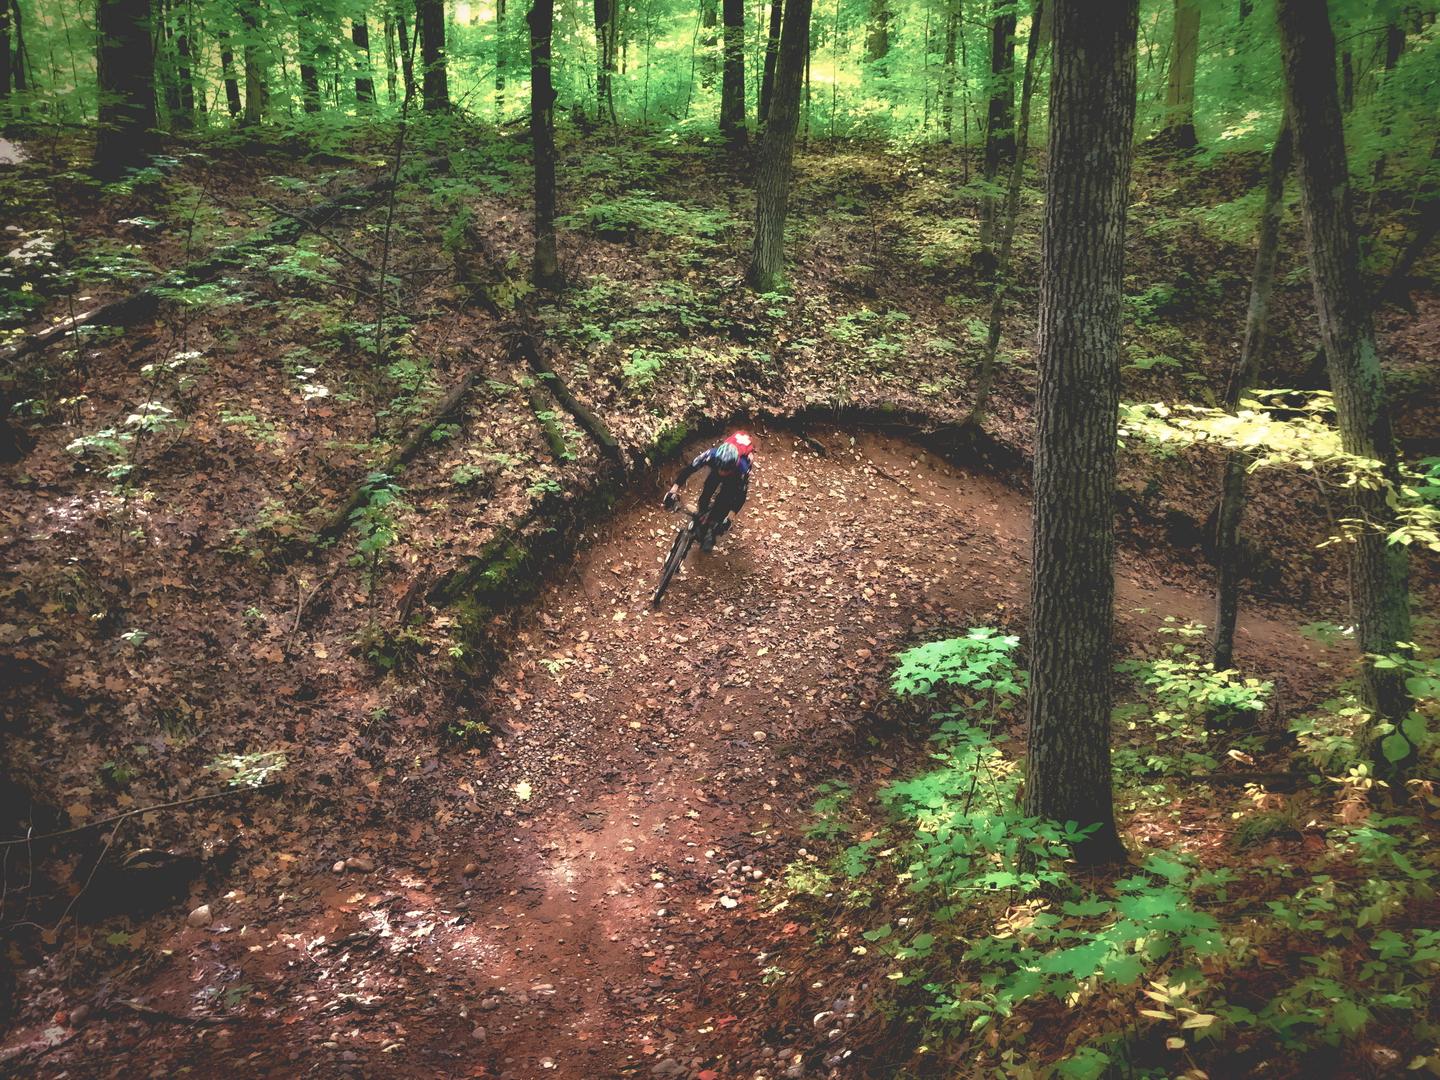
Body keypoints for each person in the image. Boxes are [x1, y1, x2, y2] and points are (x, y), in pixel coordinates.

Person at [663, 431, 753, 552]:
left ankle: (711, 530)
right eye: (720, 468)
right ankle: (702, 515)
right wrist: (673, 489)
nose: (722, 472)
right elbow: (689, 469)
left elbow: (741, 496)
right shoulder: (711, 455)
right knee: (707, 490)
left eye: (725, 470)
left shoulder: (742, 468)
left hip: (733, 477)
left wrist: (730, 517)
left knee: (724, 500)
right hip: (720, 469)